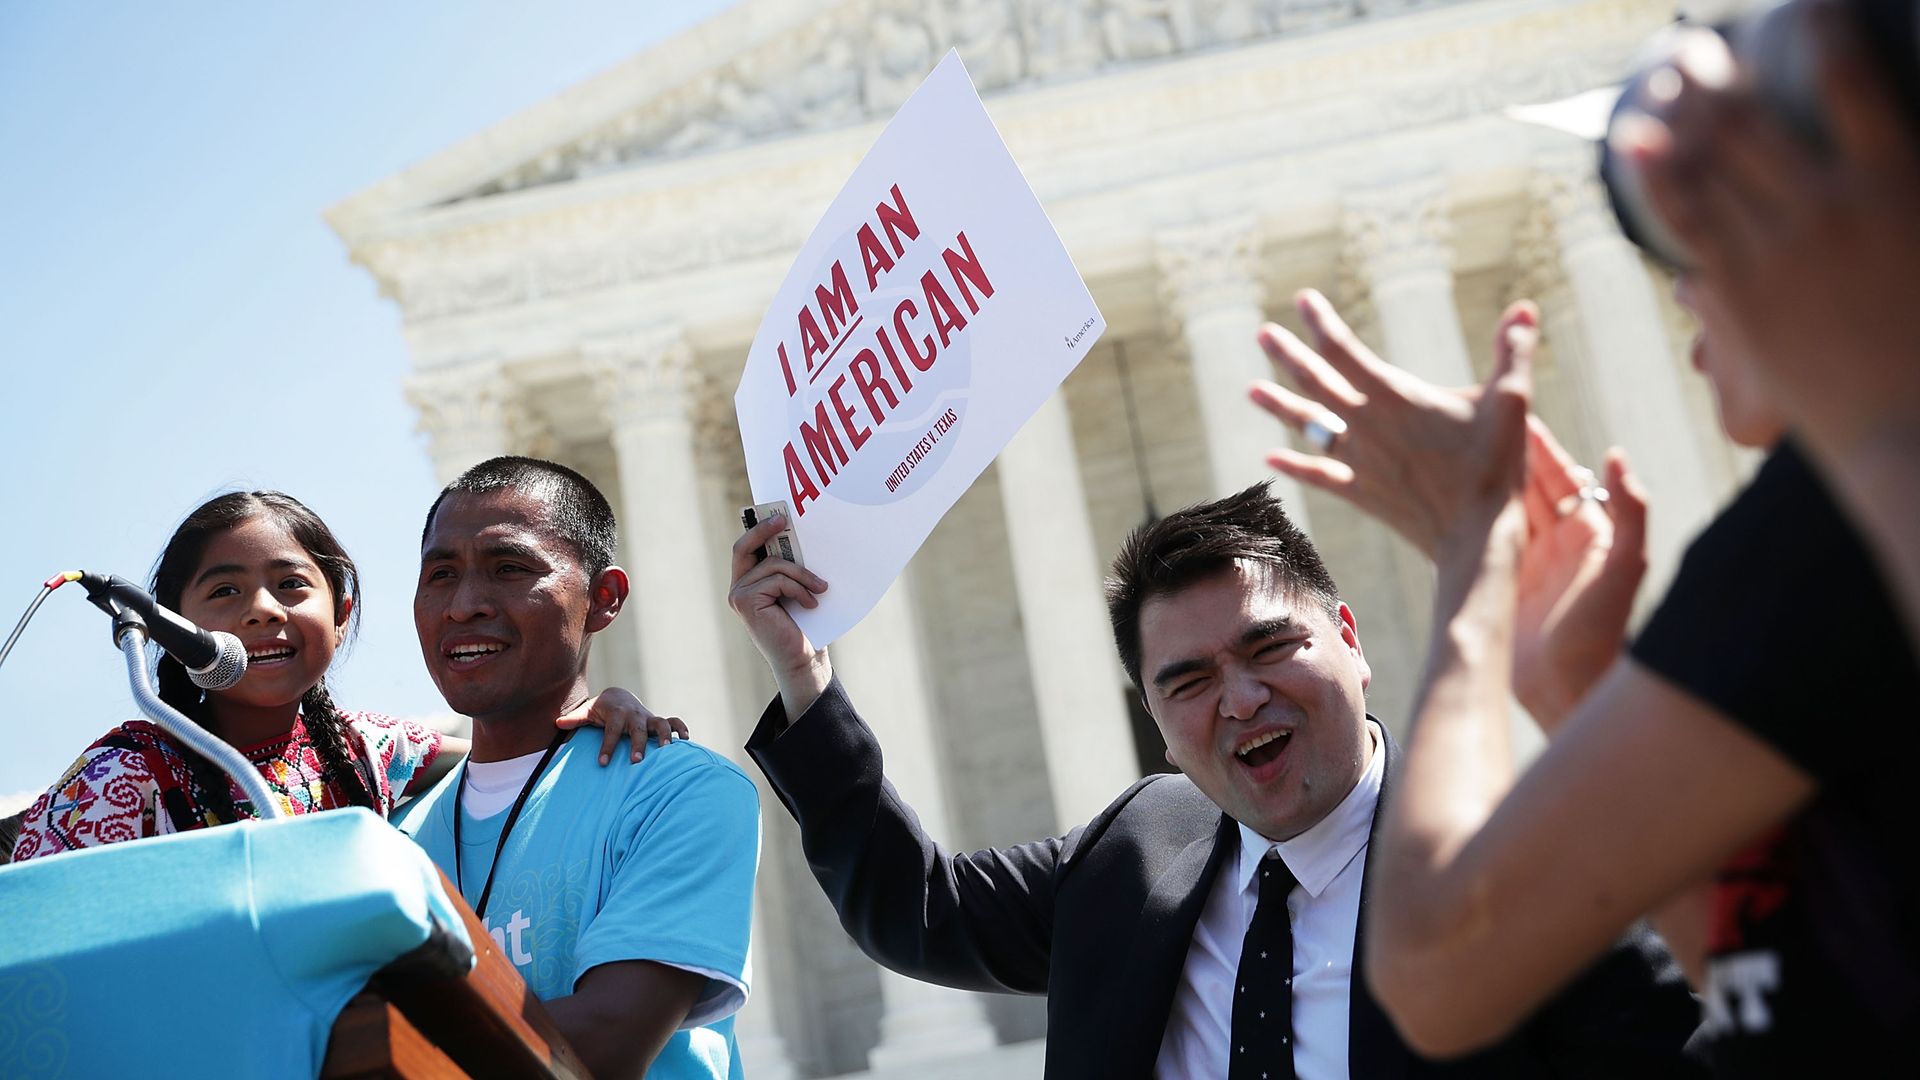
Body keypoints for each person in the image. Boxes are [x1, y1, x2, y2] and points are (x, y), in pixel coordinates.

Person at [1248, 196, 1918, 1076]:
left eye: (1700, 221)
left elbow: (1438, 971)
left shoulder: (1821, 535)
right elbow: (1785, 988)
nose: (1679, 287)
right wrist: (1573, 683)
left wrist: (1474, 559)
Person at [728, 485, 1702, 1078]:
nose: (1239, 700)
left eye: (1270, 647)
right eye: (1188, 681)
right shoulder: (1140, 849)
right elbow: (917, 908)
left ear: (1350, 642)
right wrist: (803, 673)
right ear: (1154, 721)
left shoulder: (1535, 877)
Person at [9, 489, 677, 863]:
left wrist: (593, 710)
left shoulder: (370, 752)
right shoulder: (117, 781)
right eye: (224, 592)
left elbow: (513, 752)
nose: (262, 611)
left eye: (291, 585)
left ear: (342, 613)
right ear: (167, 627)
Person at [393, 457, 759, 1080]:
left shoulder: (680, 792)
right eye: (440, 575)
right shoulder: (392, 839)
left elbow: (608, 1041)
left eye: (510, 569)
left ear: (604, 598)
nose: (464, 605)